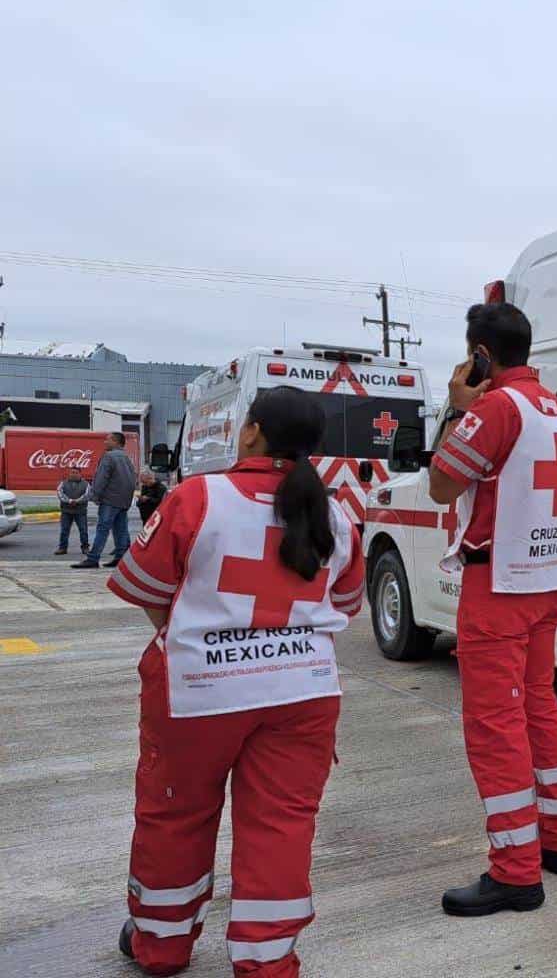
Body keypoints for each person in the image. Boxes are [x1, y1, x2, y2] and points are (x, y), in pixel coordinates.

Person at [106, 386, 365, 976]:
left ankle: (162, 945)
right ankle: (268, 960)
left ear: (250, 433)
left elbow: (148, 590)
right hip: (303, 695)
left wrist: (207, 637)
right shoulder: (338, 514)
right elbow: (344, 606)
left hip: (200, 694)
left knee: (175, 815)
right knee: (281, 826)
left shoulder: (197, 497)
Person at [428, 302, 557, 917]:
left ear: (482, 355)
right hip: (548, 581)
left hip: (498, 584)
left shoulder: (495, 408)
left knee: (494, 726)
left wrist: (458, 406)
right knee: (540, 705)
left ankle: (516, 872)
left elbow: (443, 483)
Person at [73, 431, 137, 569]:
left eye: (108, 440)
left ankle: (93, 558)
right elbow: (133, 480)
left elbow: (101, 478)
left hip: (110, 500)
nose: (105, 442)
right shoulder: (127, 457)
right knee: (121, 529)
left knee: (102, 528)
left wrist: (95, 496)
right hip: (123, 500)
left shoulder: (109, 457)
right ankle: (121, 558)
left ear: (116, 442)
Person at [54, 466, 91, 555]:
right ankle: (62, 548)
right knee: (64, 530)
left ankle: (85, 547)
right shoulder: (63, 483)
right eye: (72, 472)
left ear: (80, 474)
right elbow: (60, 493)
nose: (73, 474)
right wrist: (69, 501)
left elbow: (87, 495)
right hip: (66, 511)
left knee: (83, 530)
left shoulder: (86, 484)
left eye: (75, 473)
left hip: (80, 511)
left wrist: (77, 501)